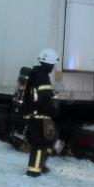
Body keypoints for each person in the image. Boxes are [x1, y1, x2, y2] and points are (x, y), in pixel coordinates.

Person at [22, 49, 59, 177]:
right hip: (39, 116)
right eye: (53, 65)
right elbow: (44, 100)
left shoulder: (35, 74)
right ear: (49, 64)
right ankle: (34, 171)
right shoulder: (43, 78)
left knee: (51, 139)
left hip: (32, 114)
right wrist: (53, 111)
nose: (53, 68)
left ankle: (40, 164)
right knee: (40, 144)